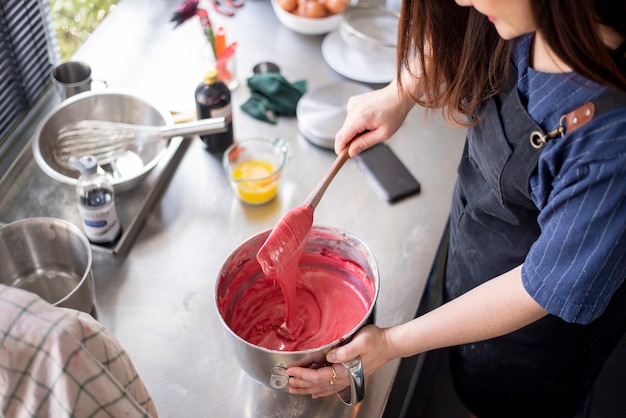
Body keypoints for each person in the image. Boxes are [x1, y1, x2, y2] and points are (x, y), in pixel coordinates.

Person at [286, 0, 626, 417]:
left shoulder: (612, 143)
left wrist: (389, 345)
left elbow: (542, 287)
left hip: (533, 342)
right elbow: (464, 25)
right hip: (475, 256)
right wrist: (401, 92)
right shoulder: (515, 13)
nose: (464, 0)